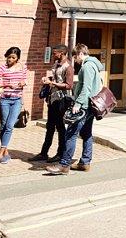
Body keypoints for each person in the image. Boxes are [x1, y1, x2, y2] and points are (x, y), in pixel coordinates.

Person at [46, 43, 102, 175]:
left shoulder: (87, 66)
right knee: (86, 134)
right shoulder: (94, 65)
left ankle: (64, 165)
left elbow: (86, 88)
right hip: (90, 105)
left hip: (84, 106)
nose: (75, 60)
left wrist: (78, 104)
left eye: (76, 56)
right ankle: (85, 162)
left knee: (70, 134)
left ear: (81, 54)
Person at [29, 44, 74, 163]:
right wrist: (47, 79)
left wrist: (52, 83)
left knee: (60, 127)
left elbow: (69, 85)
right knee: (49, 127)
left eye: (55, 53)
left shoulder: (68, 67)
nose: (53, 55)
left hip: (61, 101)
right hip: (52, 99)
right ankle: (44, 153)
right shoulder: (56, 63)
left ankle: (60, 153)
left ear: (62, 53)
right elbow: (55, 77)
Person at [0, 46, 28, 163]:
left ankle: (0, 152)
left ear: (17, 59)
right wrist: (7, 85)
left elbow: (25, 81)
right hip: (4, 100)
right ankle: (5, 151)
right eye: (9, 57)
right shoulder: (2, 68)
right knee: (3, 125)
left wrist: (21, 83)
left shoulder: (23, 68)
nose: (10, 59)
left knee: (9, 125)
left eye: (13, 57)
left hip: (16, 100)